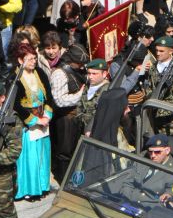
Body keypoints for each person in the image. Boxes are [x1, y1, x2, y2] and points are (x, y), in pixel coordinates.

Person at [13, 44, 54, 201]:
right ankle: (29, 190)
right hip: (28, 124)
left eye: (34, 58)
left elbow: (49, 95)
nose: (33, 61)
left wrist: (47, 115)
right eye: (29, 59)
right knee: (30, 158)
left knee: (43, 155)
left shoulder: (40, 73)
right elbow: (16, 104)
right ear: (20, 60)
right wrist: (35, 120)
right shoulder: (16, 78)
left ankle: (42, 186)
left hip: (43, 120)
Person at [48, 45, 88, 182]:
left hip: (76, 116)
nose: (82, 65)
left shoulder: (78, 69)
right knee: (64, 152)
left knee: (75, 150)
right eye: (79, 62)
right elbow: (59, 100)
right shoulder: (59, 74)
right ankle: (63, 180)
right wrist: (80, 95)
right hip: (64, 118)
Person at [0, 81, 23, 218]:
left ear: (3, 98)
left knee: (5, 211)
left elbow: (14, 150)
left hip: (2, 175)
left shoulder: (11, 120)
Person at [141, 36, 173, 136]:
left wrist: (156, 108)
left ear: (171, 51)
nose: (158, 53)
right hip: (152, 118)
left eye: (161, 51)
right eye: (157, 50)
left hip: (171, 123)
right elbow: (148, 87)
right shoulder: (152, 67)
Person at [75, 58, 109, 138]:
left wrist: (90, 129)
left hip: (98, 132)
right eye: (89, 73)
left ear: (104, 74)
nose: (90, 77)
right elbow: (81, 104)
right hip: (82, 129)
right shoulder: (87, 85)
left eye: (94, 74)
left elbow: (102, 114)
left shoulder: (107, 90)